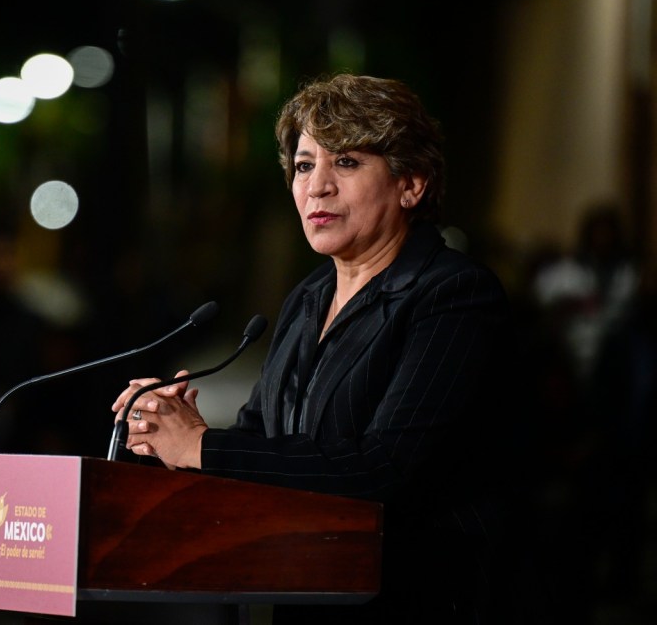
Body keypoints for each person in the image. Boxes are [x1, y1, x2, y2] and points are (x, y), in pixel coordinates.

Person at [112, 73, 529, 623]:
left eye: (347, 162)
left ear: (411, 184)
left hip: (423, 599)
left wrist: (204, 447)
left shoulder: (454, 295)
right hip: (312, 598)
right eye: (305, 165)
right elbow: (264, 445)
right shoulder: (308, 298)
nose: (317, 187)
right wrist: (171, 433)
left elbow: (384, 468)